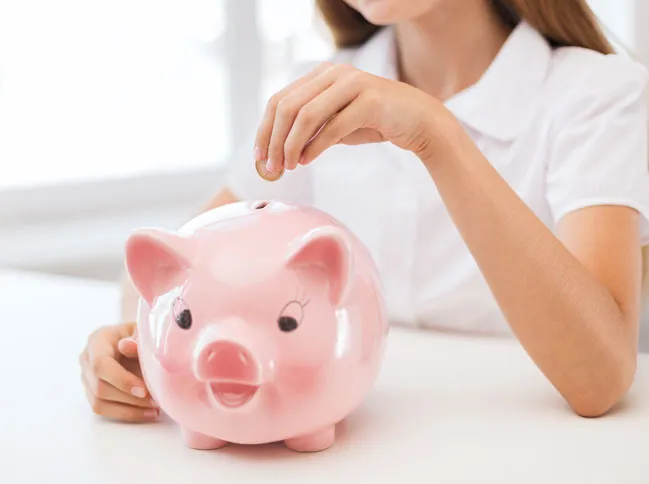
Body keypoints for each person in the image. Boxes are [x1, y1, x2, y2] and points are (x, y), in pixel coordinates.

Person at [80, 0, 649, 422]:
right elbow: (180, 263)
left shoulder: (597, 96)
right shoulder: (326, 88)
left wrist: (436, 135)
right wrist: (135, 343)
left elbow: (599, 380)